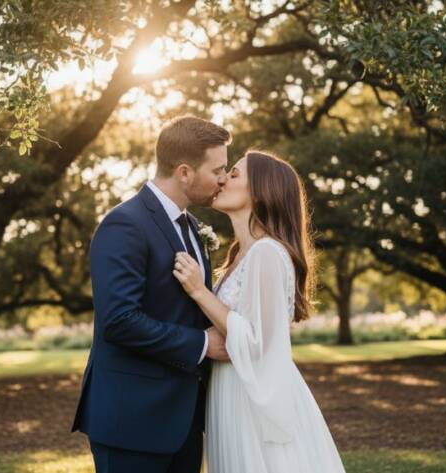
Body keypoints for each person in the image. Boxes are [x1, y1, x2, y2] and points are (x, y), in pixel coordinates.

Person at [71, 115, 231, 473]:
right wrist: (202, 344)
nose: (224, 178)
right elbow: (119, 321)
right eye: (218, 169)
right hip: (132, 421)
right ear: (185, 172)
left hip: (185, 420)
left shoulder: (193, 227)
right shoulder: (125, 224)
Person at [173, 150, 347, 472]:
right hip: (230, 389)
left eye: (235, 174)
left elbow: (256, 342)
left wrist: (198, 291)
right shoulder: (239, 255)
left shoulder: (267, 253)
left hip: (253, 399)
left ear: (262, 191)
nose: (223, 178)